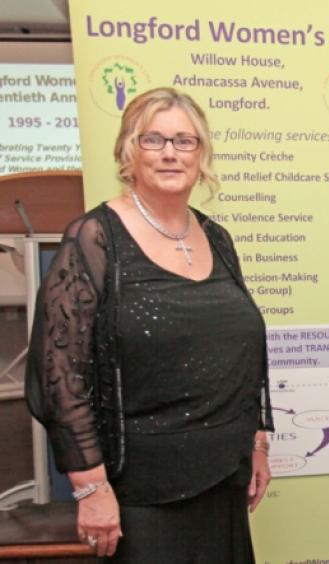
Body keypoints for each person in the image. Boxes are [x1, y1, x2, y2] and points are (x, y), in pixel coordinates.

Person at [25, 87, 274, 563]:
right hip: (140, 491)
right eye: (153, 139)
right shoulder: (94, 238)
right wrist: (91, 487)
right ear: (129, 151)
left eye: (184, 141)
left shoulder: (216, 237)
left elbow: (243, 353)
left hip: (226, 476)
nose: (169, 153)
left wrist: (256, 443)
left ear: (201, 155)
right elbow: (58, 376)